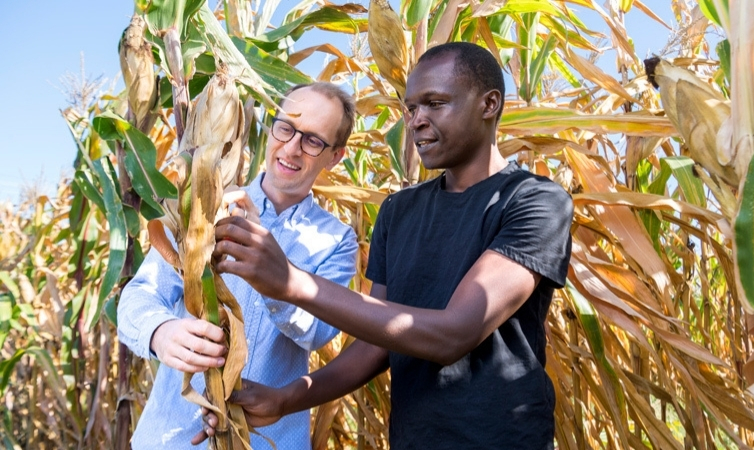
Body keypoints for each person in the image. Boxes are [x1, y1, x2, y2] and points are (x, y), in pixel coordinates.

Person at [206, 42, 573, 449]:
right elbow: (375, 344)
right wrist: (287, 398)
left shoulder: (534, 201)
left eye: (435, 104)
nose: (416, 121)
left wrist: (291, 283)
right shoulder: (399, 211)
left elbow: (454, 334)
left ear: (489, 104)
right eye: (411, 108)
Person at [117, 82, 360, 449]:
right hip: (172, 437)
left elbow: (317, 332)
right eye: (286, 128)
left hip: (268, 440)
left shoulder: (337, 240)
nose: (292, 147)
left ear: (335, 156)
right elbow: (138, 295)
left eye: (313, 140)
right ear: (271, 125)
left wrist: (273, 274)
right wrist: (160, 332)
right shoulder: (205, 205)